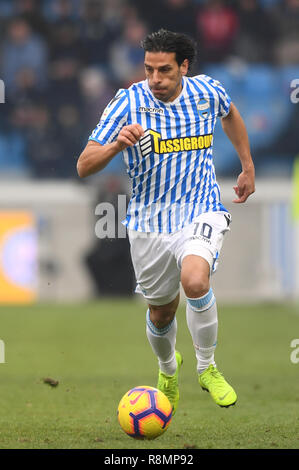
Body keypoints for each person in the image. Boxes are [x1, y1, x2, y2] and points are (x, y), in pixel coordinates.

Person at [77, 29, 255, 414]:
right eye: (148, 70)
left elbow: (231, 114)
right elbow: (83, 165)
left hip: (200, 209)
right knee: (161, 312)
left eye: (164, 71)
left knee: (195, 279)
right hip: (148, 224)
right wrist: (116, 145)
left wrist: (247, 164)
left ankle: (207, 368)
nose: (155, 79)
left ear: (184, 67)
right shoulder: (127, 102)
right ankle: (168, 370)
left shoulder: (206, 91)